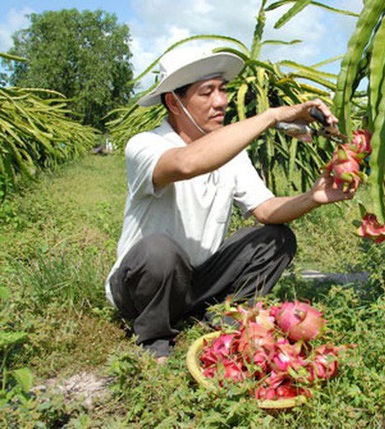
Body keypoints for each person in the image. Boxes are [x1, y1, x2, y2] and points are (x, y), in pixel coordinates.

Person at [105, 47, 356, 363]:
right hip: (141, 287)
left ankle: (223, 317)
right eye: (206, 92)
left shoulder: (232, 153)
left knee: (277, 239)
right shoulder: (145, 145)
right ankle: (154, 338)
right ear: (173, 101)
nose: (220, 102)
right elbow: (186, 163)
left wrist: (312, 197)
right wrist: (272, 115)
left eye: (222, 90)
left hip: (197, 283)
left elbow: (264, 209)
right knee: (158, 250)